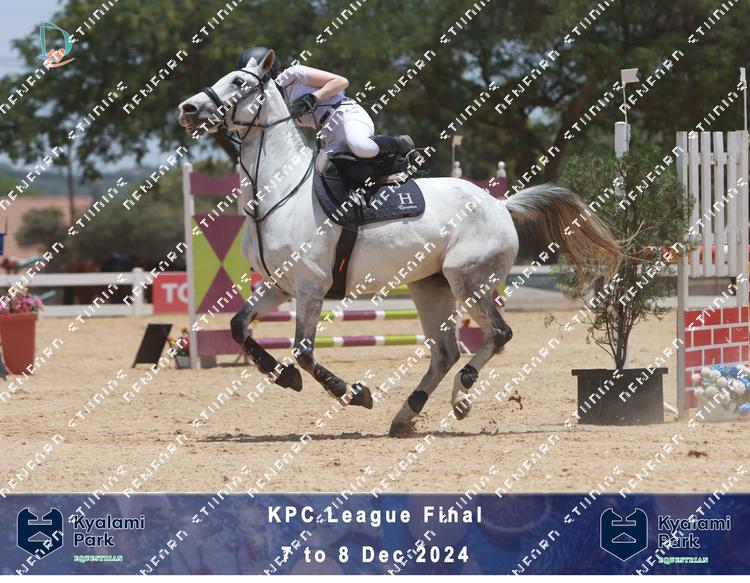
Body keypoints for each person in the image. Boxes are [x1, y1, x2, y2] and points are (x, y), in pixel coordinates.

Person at [235, 47, 414, 161]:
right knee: (320, 172)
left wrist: (314, 98)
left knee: (361, 146)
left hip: (345, 115)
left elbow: (342, 82)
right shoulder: (271, 102)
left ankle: (401, 144)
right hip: (328, 134)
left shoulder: (294, 74)